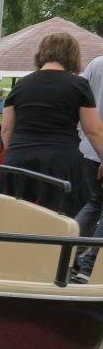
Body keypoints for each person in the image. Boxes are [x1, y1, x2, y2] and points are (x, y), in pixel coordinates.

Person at [0, 33, 103, 217]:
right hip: (61, 161)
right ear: (72, 55)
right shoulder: (78, 85)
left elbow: (6, 128)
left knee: (16, 218)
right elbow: (93, 129)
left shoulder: (21, 85)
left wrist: (15, 151)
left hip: (20, 159)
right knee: (57, 221)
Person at [67, 55, 103, 281]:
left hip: (90, 147)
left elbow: (79, 100)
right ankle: (90, 266)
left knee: (93, 202)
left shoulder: (97, 63)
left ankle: (70, 257)